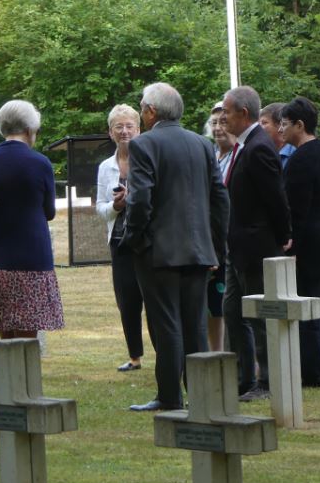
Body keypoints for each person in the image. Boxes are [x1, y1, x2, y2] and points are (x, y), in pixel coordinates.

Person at [122, 83, 229, 411]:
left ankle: (169, 397)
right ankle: (200, 395)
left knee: (166, 324)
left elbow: (140, 199)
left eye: (142, 107)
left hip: (159, 252)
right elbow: (219, 198)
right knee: (195, 325)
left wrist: (135, 238)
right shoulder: (202, 144)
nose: (142, 112)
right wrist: (216, 246)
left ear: (151, 111)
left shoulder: (143, 144)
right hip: (198, 250)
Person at [0, 100, 64, 339]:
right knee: (29, 328)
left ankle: (7, 365)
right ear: (30, 130)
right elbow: (49, 212)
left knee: (4, 328)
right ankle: (27, 365)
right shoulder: (41, 163)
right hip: (32, 256)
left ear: (3, 127)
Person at [222, 85, 291, 401]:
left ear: (243, 113)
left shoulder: (259, 147)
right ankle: (242, 378)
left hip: (256, 247)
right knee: (233, 312)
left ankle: (268, 381)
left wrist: (282, 236)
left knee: (259, 317)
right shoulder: (244, 146)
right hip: (238, 247)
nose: (222, 118)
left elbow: (276, 198)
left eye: (227, 112)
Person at [278, 97, 320, 387]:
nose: (280, 129)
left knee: (309, 306)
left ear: (300, 125)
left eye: (285, 124)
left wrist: (291, 244)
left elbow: (297, 209)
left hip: (312, 242)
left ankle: (313, 371)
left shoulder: (301, 159)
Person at [96, 104, 148, 372]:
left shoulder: (149, 159)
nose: (125, 131)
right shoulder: (105, 167)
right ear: (110, 132)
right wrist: (116, 206)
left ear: (139, 130)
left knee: (154, 299)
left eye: (129, 126)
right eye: (119, 127)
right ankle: (134, 356)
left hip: (148, 240)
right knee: (127, 301)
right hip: (119, 241)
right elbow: (100, 207)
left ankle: (166, 355)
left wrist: (134, 199)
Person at [203, 102, 233, 352]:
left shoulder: (240, 155)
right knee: (213, 301)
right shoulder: (208, 154)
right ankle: (216, 353)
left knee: (228, 300)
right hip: (208, 238)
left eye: (223, 122)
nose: (218, 128)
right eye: (214, 123)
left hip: (230, 239)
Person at [259, 102, 296, 169]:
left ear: (281, 125)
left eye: (264, 123)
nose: (259, 127)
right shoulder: (261, 153)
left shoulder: (296, 154)